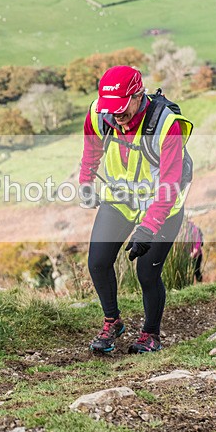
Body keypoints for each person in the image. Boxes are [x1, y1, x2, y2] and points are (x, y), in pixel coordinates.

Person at [79, 66, 193, 354]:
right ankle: (112, 322)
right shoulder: (99, 113)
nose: (115, 114)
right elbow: (92, 148)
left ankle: (151, 334)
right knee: (98, 261)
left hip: (162, 207)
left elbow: (170, 184)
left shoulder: (168, 125)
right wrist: (86, 181)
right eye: (110, 108)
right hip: (120, 200)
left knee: (146, 272)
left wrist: (148, 227)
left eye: (121, 107)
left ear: (138, 95)